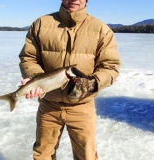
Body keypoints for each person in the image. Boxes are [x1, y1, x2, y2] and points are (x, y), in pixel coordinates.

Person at [18, 0, 121, 159]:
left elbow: (110, 66)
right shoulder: (41, 24)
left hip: (82, 106)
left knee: (86, 155)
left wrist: (93, 83)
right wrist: (34, 78)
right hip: (49, 106)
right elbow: (28, 58)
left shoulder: (101, 29)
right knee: (42, 155)